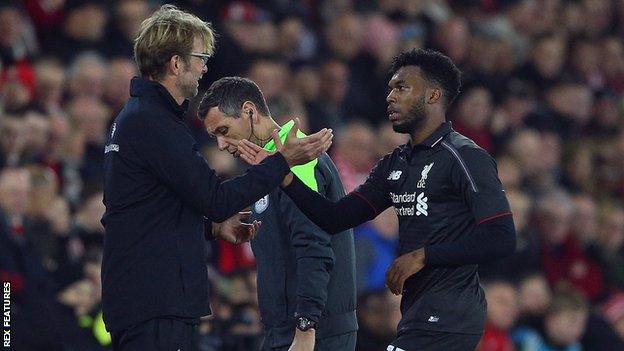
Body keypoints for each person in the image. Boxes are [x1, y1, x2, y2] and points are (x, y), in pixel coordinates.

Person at [238, 48, 516, 351]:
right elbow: (335, 218)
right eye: (389, 88)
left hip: (452, 314)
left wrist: (424, 255)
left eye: (402, 87)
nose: (390, 96)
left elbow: (500, 238)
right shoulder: (395, 163)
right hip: (416, 311)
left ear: (434, 96)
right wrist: (285, 177)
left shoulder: (464, 156)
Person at [101, 5, 333, 350]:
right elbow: (214, 199)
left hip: (145, 299)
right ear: (176, 63)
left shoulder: (137, 117)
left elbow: (145, 210)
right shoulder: (154, 123)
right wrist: (281, 161)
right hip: (157, 305)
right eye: (200, 57)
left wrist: (210, 228)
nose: (205, 67)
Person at [198, 76, 358, 351]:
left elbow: (314, 246)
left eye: (224, 130)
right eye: (215, 137)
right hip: (282, 328)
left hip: (313, 332)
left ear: (249, 111)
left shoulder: (298, 160)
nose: (222, 144)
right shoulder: (267, 167)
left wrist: (306, 326)